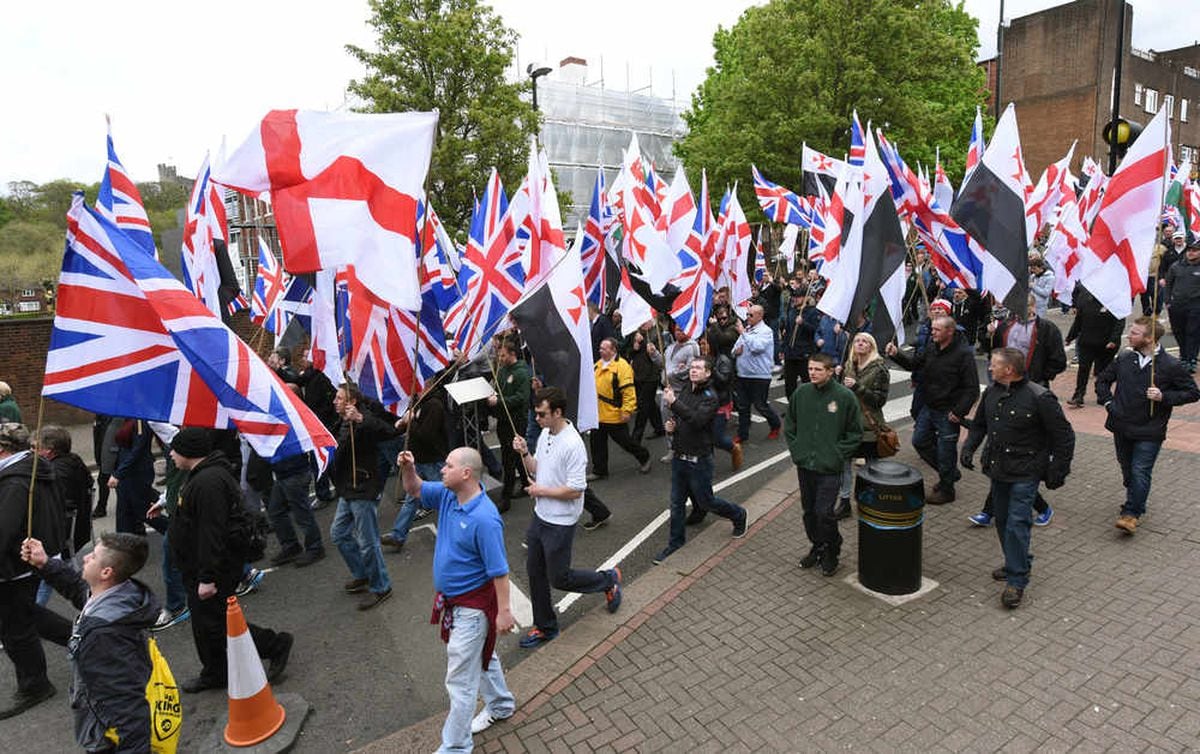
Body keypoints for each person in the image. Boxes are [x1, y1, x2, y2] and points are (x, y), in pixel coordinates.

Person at [155, 427, 292, 693]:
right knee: (207, 624)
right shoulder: (200, 476)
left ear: (188, 452)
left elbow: (211, 532)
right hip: (198, 565)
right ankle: (216, 671)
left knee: (217, 622)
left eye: (175, 449)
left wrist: (207, 577)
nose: (170, 454)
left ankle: (274, 644)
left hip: (212, 568)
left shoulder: (208, 483)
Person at [397, 447, 516, 751]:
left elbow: (500, 572)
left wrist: (504, 613)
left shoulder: (486, 519)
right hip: (458, 605)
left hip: (473, 610)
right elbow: (415, 489)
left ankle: (455, 747)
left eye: (448, 466)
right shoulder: (449, 495)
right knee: (482, 657)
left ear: (466, 473)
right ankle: (501, 705)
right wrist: (408, 467)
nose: (441, 470)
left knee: (460, 682)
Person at [21, 532, 159, 752]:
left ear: (106, 572)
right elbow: (78, 589)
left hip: (105, 736)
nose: (85, 558)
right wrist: (45, 563)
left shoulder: (103, 634)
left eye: (93, 556)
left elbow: (129, 707)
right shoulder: (118, 593)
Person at [960, 348, 1075, 609]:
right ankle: (1017, 560)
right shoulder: (991, 392)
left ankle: (1017, 580)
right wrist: (969, 448)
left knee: (1016, 523)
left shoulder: (1040, 397)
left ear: (1009, 370)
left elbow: (1064, 436)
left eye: (994, 365)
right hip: (998, 469)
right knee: (1001, 520)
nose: (989, 368)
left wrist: (1058, 470)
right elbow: (980, 425)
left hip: (1026, 471)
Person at [512, 387, 622, 649]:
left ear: (557, 412)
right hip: (541, 516)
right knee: (535, 572)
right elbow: (537, 468)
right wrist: (525, 452)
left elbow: (575, 490)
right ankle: (546, 627)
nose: (537, 419)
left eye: (541, 414)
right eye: (536, 414)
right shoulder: (545, 434)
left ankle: (608, 580)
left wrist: (541, 490)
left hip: (560, 521)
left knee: (559, 578)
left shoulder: (573, 444)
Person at [1095, 317, 1200, 533]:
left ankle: (1131, 514)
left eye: (1134, 333)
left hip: (1150, 429)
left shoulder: (1171, 365)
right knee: (1128, 471)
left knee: (1140, 471)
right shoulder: (1124, 358)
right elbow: (1102, 380)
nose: (1129, 336)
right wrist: (1108, 402)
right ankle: (1136, 499)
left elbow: (1192, 392)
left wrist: (1164, 396)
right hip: (1121, 425)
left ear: (1149, 338)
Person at [971, 295, 1067, 527]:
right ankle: (993, 511)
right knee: (1003, 453)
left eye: (1026, 306)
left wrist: (1041, 377)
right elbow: (991, 352)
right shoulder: (1006, 325)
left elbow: (1059, 361)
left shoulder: (1047, 329)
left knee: (1015, 460)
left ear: (1034, 306)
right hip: (1005, 391)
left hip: (1031, 393)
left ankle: (992, 512)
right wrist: (989, 335)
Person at [654, 357, 749, 564]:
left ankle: (739, 514)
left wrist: (674, 403)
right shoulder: (687, 389)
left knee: (707, 501)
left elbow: (697, 421)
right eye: (692, 367)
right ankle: (676, 543)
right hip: (680, 457)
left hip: (699, 459)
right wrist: (673, 426)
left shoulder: (710, 396)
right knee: (676, 503)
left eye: (699, 368)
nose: (693, 371)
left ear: (708, 373)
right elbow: (682, 418)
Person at [0, 422, 65, 719]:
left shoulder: (15, 482)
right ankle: (85, 637)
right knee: (28, 614)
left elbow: (4, 530)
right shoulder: (29, 468)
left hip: (13, 566)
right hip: (24, 561)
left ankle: (34, 685)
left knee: (16, 630)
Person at [886, 316, 980, 503]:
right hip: (929, 407)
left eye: (937, 330)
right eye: (932, 329)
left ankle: (947, 490)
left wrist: (959, 412)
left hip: (948, 412)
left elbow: (972, 389)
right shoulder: (931, 347)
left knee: (946, 451)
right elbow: (914, 365)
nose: (932, 332)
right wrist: (896, 354)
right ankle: (949, 474)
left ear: (949, 332)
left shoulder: (963, 355)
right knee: (920, 441)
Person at [784, 354, 862, 576]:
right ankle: (817, 546)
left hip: (829, 468)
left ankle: (832, 550)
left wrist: (837, 454)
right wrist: (798, 450)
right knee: (809, 511)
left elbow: (855, 433)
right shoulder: (801, 393)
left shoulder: (845, 397)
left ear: (830, 371)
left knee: (824, 512)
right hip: (805, 465)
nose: (812, 373)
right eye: (810, 369)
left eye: (818, 369)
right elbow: (790, 425)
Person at [329, 383, 398, 609]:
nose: (334, 401)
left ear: (352, 402)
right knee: (338, 533)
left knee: (368, 542)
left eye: (339, 398)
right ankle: (363, 573)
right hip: (347, 488)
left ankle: (381, 586)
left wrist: (359, 418)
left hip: (363, 487)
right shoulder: (339, 422)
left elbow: (388, 430)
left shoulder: (365, 418)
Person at [384, 386, 450, 551]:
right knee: (411, 498)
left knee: (447, 499)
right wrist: (402, 423)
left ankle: (458, 534)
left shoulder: (434, 405)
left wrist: (411, 421)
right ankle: (398, 535)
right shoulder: (417, 402)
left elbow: (427, 435)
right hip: (418, 459)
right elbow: (411, 426)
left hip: (433, 460)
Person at [837, 333, 891, 518]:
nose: (860, 344)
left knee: (871, 468)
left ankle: (871, 500)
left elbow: (879, 401)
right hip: (848, 425)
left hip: (869, 427)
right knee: (843, 465)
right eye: (857, 341)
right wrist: (836, 377)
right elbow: (840, 395)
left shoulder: (880, 369)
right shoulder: (849, 365)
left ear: (871, 346)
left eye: (864, 341)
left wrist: (857, 386)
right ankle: (844, 502)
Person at [590, 337, 651, 479]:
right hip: (599, 413)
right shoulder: (597, 365)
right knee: (596, 443)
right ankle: (599, 470)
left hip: (614, 413)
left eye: (604, 348)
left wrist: (627, 410)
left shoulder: (622, 367)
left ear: (613, 350)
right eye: (600, 348)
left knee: (625, 442)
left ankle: (644, 456)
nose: (600, 350)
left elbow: (628, 391)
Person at [487, 339, 531, 512]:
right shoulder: (502, 370)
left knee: (508, 458)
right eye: (499, 354)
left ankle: (505, 498)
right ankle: (527, 482)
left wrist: (500, 401)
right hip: (503, 419)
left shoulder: (522, 372)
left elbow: (522, 398)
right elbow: (499, 390)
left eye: (503, 355)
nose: (500, 357)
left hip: (516, 420)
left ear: (512, 354)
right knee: (517, 455)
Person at [37, 425, 94, 557]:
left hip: (65, 534)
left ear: (48, 451)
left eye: (36, 448)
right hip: (81, 528)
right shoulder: (73, 460)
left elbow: (62, 505)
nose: (32, 452)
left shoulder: (55, 472)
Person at [265, 449, 326, 568]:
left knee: (302, 513)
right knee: (275, 511)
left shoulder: (287, 432)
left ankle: (315, 547)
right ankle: (291, 546)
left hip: (294, 472)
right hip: (284, 473)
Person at [1065, 285, 1123, 406]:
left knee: (1102, 372)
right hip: (1087, 341)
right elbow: (1078, 322)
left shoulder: (1114, 304)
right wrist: (1070, 337)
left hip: (1106, 344)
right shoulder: (1086, 302)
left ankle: (1101, 394)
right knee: (1083, 369)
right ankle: (1079, 395)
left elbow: (1119, 323)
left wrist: (1114, 340)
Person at [732, 304, 782, 442]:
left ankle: (775, 424)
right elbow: (735, 348)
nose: (747, 317)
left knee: (760, 405)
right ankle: (743, 434)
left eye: (751, 315)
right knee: (743, 406)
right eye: (747, 314)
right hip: (743, 374)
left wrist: (743, 333)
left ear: (760, 316)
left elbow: (757, 347)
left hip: (759, 375)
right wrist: (735, 352)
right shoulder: (747, 329)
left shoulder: (766, 331)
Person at [1163, 237, 1200, 374]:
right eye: (1189, 250)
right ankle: (1183, 356)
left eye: (1195, 251)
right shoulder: (1176, 266)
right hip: (1177, 305)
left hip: (1196, 306)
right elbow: (1168, 285)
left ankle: (1191, 359)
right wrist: (1167, 301)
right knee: (1179, 332)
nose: (1191, 253)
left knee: (1193, 332)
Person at [625, 327, 665, 443]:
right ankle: (659, 428)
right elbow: (627, 352)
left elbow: (660, 354)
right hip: (638, 374)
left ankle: (636, 437)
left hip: (651, 376)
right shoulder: (635, 333)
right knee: (650, 403)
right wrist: (634, 347)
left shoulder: (656, 332)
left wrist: (650, 347)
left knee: (643, 405)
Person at [779, 291, 819, 398]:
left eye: (799, 297)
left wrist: (803, 323)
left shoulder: (812, 312)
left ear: (805, 298)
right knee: (789, 383)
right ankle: (792, 406)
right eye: (794, 297)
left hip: (804, 353)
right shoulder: (791, 311)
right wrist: (783, 349)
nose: (795, 299)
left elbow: (815, 330)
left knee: (807, 382)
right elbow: (787, 332)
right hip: (791, 353)